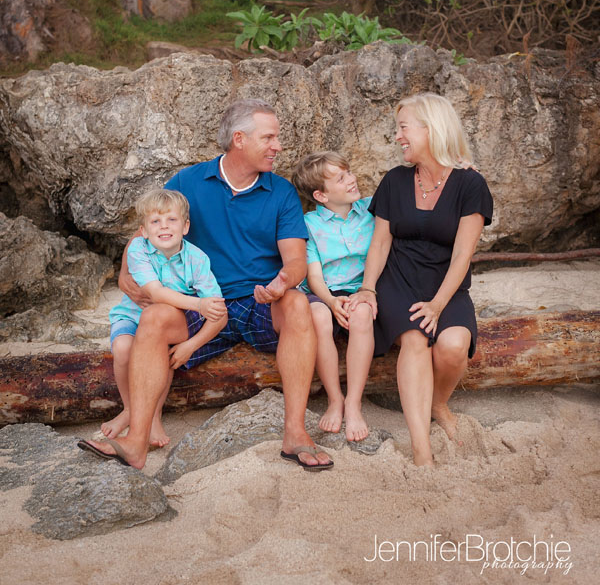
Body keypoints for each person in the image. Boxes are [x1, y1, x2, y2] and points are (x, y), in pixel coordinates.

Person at [78, 99, 333, 471]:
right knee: (154, 317)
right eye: (269, 137)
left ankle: (295, 434)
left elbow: (295, 261)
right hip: (202, 301)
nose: (278, 146)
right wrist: (124, 273)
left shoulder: (281, 192)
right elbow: (145, 232)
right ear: (239, 139)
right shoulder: (188, 182)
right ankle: (135, 442)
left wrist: (282, 283)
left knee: (296, 303)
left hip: (260, 302)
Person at [349, 92, 493, 467]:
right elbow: (380, 242)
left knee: (453, 346)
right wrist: (368, 287)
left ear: (432, 129)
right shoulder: (395, 181)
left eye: (403, 128)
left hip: (446, 284)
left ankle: (438, 404)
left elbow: (462, 255)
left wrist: (438, 305)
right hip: (398, 278)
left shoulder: (470, 184)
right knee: (414, 339)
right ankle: (421, 450)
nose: (398, 136)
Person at [94, 188, 226, 451]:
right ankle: (131, 410)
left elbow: (219, 315)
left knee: (161, 352)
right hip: (132, 315)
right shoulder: (138, 250)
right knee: (123, 348)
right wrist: (198, 304)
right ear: (144, 231)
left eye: (171, 220)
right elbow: (155, 293)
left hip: (164, 322)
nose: (164, 226)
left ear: (185, 227)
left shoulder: (197, 259)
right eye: (155, 221)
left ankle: (153, 417)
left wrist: (191, 345)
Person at [292, 152, 375, 442]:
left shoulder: (371, 209)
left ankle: (353, 402)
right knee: (317, 317)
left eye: (348, 172)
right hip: (324, 291)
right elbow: (313, 275)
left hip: (362, 288)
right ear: (321, 195)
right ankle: (334, 398)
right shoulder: (309, 224)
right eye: (341, 178)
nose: (351, 179)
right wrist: (330, 301)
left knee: (362, 313)